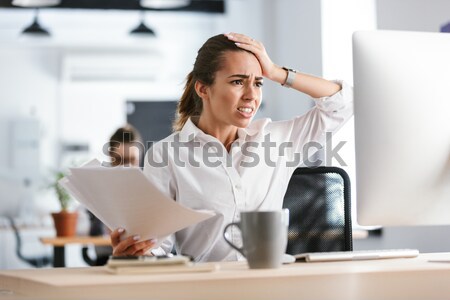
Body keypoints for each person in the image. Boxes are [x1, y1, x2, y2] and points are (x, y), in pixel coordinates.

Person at [110, 33, 353, 262]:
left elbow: (344, 103)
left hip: (267, 284)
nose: (251, 95)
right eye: (238, 81)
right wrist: (135, 254)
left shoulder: (277, 141)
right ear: (203, 88)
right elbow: (155, 248)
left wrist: (277, 73)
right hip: (206, 288)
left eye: (258, 83)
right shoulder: (166, 155)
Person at [87, 124, 143, 264]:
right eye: (120, 160)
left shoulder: (151, 187)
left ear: (140, 157)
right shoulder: (98, 187)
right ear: (111, 158)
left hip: (143, 257)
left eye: (131, 160)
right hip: (106, 258)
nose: (126, 167)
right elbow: (87, 230)